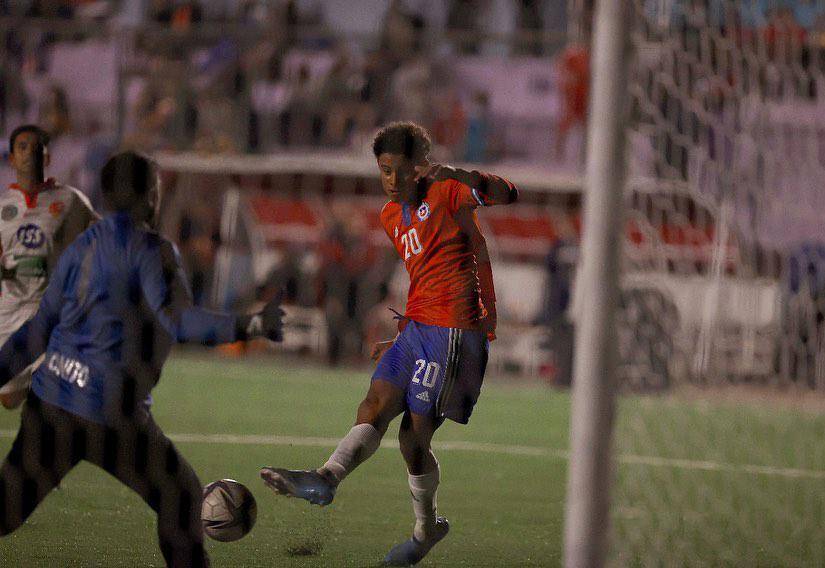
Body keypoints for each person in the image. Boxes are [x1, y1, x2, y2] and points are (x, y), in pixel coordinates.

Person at [0, 152, 285, 567]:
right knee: (181, 495)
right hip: (110, 416)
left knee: (5, 512)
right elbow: (182, 322)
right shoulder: (151, 250)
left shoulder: (82, 246)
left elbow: (38, 329)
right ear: (150, 195)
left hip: (51, 405)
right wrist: (250, 326)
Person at [261, 121, 517, 566]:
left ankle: (425, 532)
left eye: (400, 170)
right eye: (384, 171)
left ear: (421, 168)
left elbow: (506, 193)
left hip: (455, 332)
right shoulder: (388, 216)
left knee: (411, 440)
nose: (392, 181)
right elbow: (426, 275)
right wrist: (402, 335)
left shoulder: (448, 193)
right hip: (417, 329)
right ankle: (326, 478)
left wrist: (457, 174)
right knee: (373, 405)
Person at [0, 124, 98, 409]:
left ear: (47, 158)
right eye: (22, 147)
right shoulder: (3, 206)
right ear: (11, 159)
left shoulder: (70, 200)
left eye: (36, 147)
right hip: (10, 311)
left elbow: (104, 236)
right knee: (9, 399)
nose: (29, 152)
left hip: (52, 312)